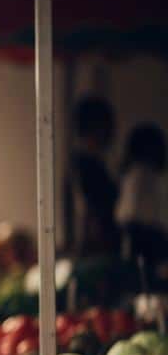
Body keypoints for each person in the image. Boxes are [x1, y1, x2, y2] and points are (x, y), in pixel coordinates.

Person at [65, 96, 120, 256]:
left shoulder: (92, 163)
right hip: (95, 248)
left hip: (93, 245)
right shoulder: (86, 166)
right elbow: (90, 209)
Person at [115, 122, 168, 276]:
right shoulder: (141, 176)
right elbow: (128, 215)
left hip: (143, 239)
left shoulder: (138, 175)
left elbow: (123, 215)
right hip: (144, 240)